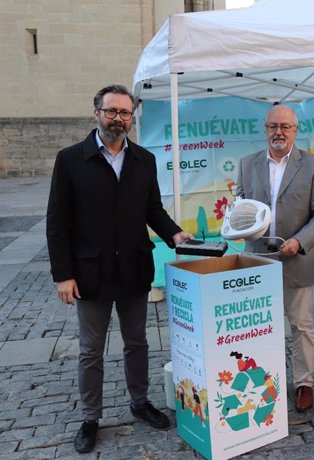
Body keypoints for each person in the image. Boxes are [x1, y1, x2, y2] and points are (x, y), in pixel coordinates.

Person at [46, 84, 194, 453]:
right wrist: (63, 274)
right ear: (96, 112)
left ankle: (140, 403)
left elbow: (152, 210)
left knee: (137, 342)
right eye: (111, 111)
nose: (118, 118)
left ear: (132, 116)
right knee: (90, 350)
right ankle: (90, 417)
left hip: (132, 268)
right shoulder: (70, 159)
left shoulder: (144, 159)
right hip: (89, 274)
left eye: (125, 112)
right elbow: (57, 221)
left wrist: (176, 234)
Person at [235, 105, 314, 412]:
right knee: (260, 325)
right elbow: (241, 205)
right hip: (258, 259)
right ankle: (263, 382)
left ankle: (304, 383)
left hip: (296, 257)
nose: (279, 131)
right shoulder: (247, 164)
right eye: (274, 126)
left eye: (286, 126)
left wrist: (299, 241)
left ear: (295, 130)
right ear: (265, 129)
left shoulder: (313, 164)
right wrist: (237, 221)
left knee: (301, 325)